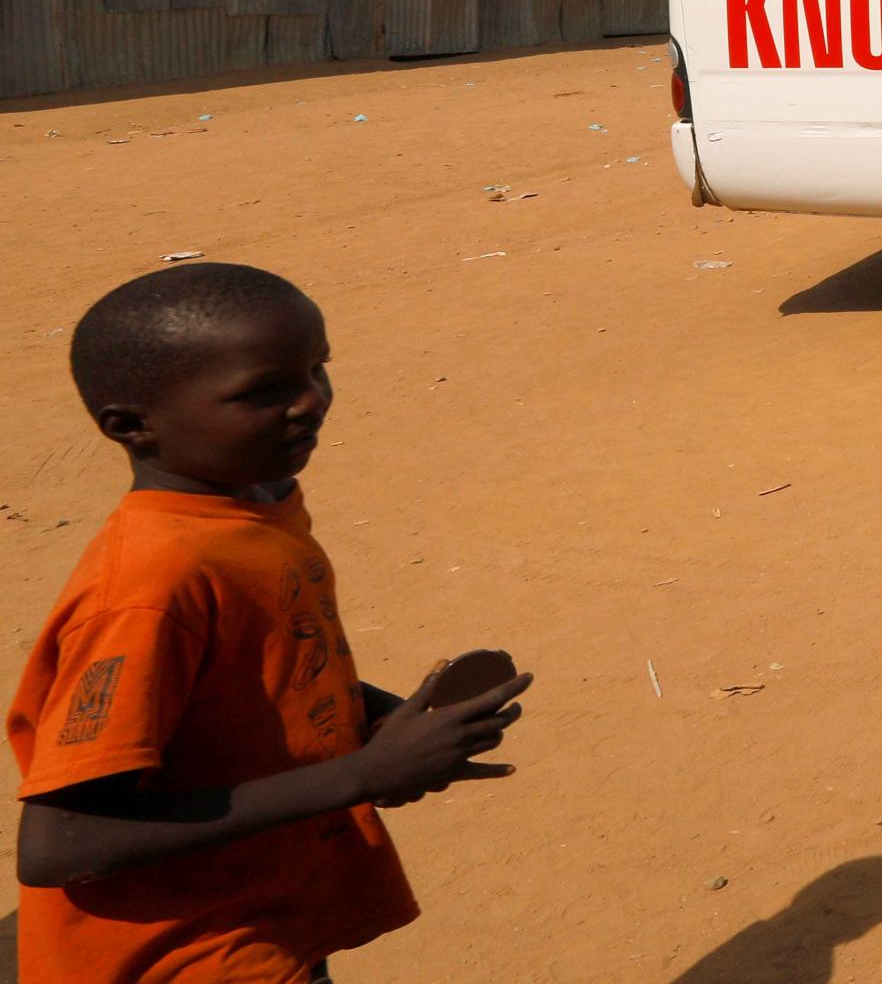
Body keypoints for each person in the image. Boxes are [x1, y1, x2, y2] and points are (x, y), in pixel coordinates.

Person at [10, 263, 532, 983]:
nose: (312, 402)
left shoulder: (250, 505)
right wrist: (360, 774)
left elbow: (269, 663)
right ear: (132, 426)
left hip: (263, 907)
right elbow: (60, 841)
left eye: (317, 369)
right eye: (266, 391)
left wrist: (377, 719)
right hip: (181, 951)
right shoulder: (150, 585)